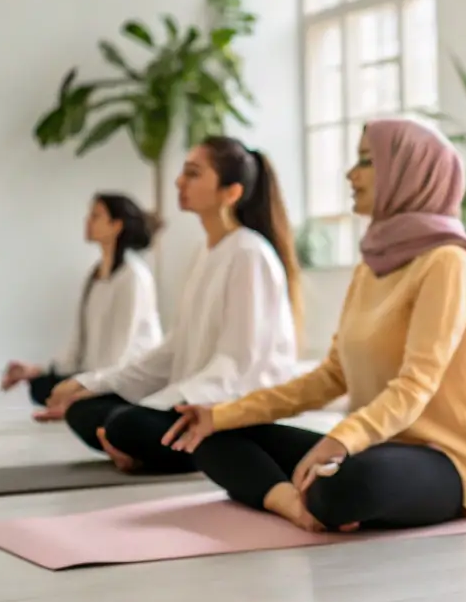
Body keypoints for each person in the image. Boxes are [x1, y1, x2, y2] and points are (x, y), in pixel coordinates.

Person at [159, 118, 466, 533]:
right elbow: (331, 376)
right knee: (212, 438)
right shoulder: (371, 267)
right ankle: (291, 505)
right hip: (380, 445)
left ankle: (310, 497)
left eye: (367, 161)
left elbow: (415, 384)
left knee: (348, 484)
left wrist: (340, 441)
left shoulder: (449, 263)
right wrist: (223, 414)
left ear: (410, 174)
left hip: (451, 459)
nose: (351, 174)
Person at [45, 137, 301, 474]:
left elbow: (236, 365)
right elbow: (175, 348)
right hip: (189, 400)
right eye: (183, 173)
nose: (179, 182)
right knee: (85, 409)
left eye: (193, 174)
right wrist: (95, 382)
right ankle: (142, 445)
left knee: (126, 424)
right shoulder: (204, 253)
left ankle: (169, 448)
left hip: (227, 411)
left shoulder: (250, 255)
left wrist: (155, 404)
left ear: (231, 192)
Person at [0, 193, 163, 406]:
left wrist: (86, 386)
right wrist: (39, 370)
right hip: (95, 374)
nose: (87, 221)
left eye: (95, 215)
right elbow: (77, 345)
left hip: (125, 379)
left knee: (74, 400)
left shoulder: (134, 277)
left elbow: (119, 357)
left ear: (116, 225)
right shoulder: (94, 276)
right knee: (40, 386)